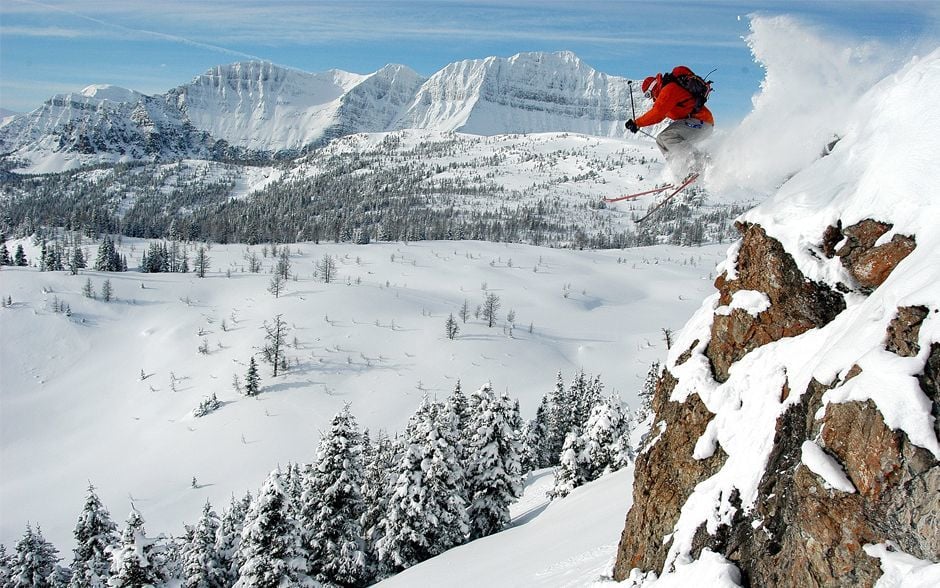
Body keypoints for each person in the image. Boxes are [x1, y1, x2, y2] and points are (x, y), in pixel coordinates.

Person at [625, 66, 714, 176]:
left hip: (702, 121)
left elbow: (657, 113)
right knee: (660, 140)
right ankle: (680, 173)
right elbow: (659, 114)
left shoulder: (669, 90)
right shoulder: (665, 95)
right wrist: (637, 124)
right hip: (696, 123)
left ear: (652, 88)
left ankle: (699, 162)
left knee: (666, 137)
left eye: (648, 94)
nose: (650, 97)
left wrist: (637, 123)